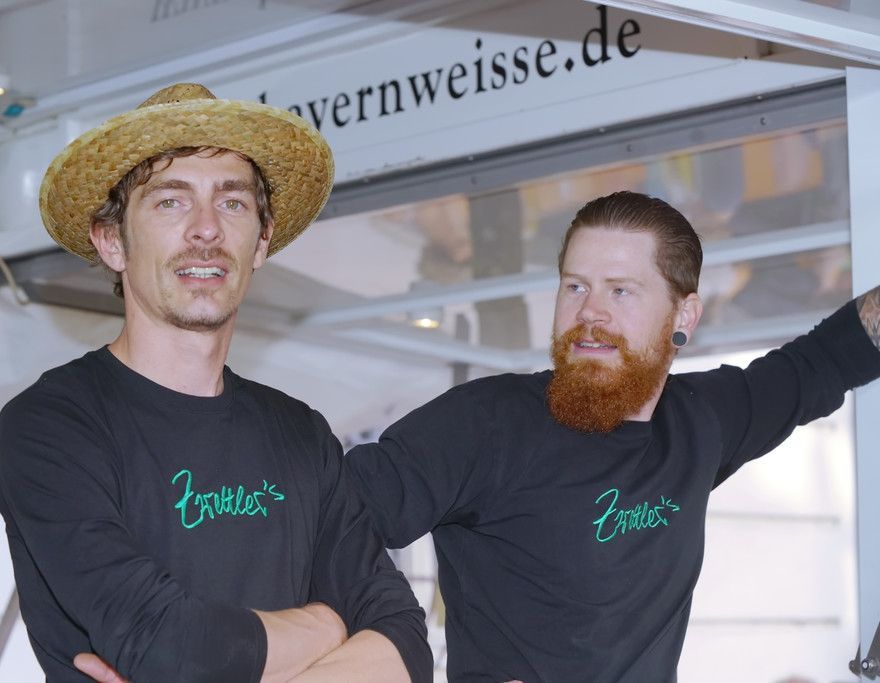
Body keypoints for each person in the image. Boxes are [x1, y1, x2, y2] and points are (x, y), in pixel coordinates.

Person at [344, 190, 880, 682]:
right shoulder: (487, 423)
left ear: (684, 315)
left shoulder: (701, 420)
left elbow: (824, 360)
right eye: (575, 286)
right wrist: (397, 645)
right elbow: (325, 520)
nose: (589, 312)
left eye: (620, 290)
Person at [0, 83, 430, 682]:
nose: (206, 229)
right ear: (113, 241)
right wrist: (329, 625)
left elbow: (405, 641)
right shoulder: (54, 425)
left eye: (232, 203)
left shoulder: (300, 433)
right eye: (170, 201)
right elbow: (170, 645)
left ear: (262, 241)